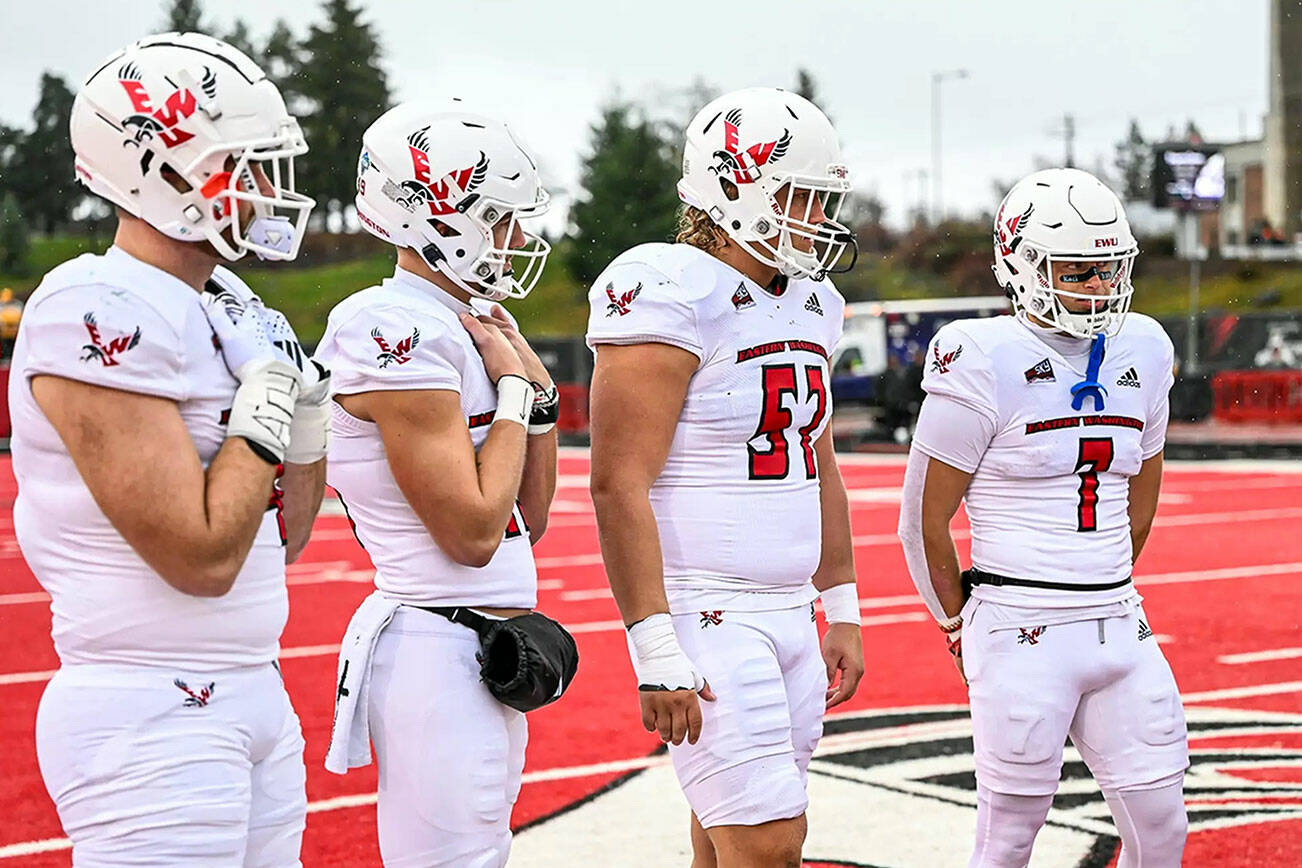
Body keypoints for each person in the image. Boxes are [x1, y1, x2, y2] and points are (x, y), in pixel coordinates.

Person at [10, 32, 328, 866]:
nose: (264, 191)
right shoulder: (94, 303)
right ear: (163, 167)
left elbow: (285, 535)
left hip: (253, 688)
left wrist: (307, 417)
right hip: (148, 707)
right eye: (245, 166)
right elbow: (201, 559)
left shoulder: (227, 302)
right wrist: (265, 396)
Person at [586, 87, 865, 868]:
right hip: (706, 610)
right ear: (732, 186)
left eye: (822, 199)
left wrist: (840, 603)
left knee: (727, 842)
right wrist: (654, 648)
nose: (815, 216)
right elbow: (617, 483)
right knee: (772, 846)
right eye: (798, 195)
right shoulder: (671, 288)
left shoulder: (815, 302)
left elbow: (820, 460)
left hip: (789, 613)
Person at [897, 167, 1188, 868]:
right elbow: (921, 522)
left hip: (1118, 617)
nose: (1098, 287)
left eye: (1108, 268)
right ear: (1023, 265)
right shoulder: (982, 357)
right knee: (1008, 841)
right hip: (1021, 625)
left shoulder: (1143, 348)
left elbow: (1137, 501)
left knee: (1164, 826)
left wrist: (1100, 583)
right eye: (1077, 269)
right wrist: (956, 621)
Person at [317, 100, 562, 868]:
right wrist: (516, 398)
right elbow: (473, 531)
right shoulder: (390, 327)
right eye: (498, 217)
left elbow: (532, 514)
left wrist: (536, 397)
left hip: (476, 641)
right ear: (434, 215)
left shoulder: (467, 321)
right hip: (436, 638)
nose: (516, 238)